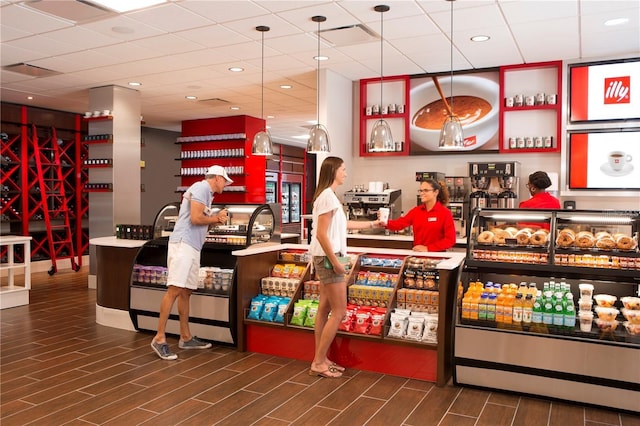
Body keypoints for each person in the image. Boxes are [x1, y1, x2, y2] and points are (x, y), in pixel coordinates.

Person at [308, 156, 382, 378]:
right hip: (329, 259)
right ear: (333, 172)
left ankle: (319, 359)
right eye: (343, 169)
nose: (346, 173)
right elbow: (322, 234)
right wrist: (337, 263)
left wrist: (372, 224)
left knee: (323, 309)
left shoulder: (328, 197)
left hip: (324, 258)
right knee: (339, 311)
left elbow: (343, 225)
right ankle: (318, 363)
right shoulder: (328, 198)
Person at [151, 165, 232, 360]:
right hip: (183, 244)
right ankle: (159, 338)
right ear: (218, 178)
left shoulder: (207, 194)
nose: (226, 185)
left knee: (186, 291)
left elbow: (199, 220)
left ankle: (185, 337)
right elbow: (195, 219)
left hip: (193, 246)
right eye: (225, 181)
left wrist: (215, 220)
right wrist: (214, 217)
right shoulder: (202, 188)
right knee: (174, 289)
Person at [382, 178, 456, 252]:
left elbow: (450, 240)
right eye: (421, 190)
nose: (422, 193)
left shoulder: (445, 213)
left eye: (426, 190)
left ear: (435, 192)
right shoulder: (416, 211)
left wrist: (428, 248)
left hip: (437, 257)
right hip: (418, 257)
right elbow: (400, 224)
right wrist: (383, 222)